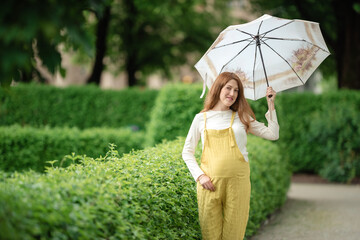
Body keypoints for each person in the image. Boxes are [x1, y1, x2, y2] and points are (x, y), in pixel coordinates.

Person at [182, 72, 279, 240]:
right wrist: (200, 176)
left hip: (238, 184)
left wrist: (270, 104)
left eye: (236, 90)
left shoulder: (241, 117)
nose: (232, 94)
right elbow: (187, 151)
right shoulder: (201, 119)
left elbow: (273, 134)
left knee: (234, 234)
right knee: (210, 235)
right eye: (228, 88)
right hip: (209, 185)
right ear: (218, 88)